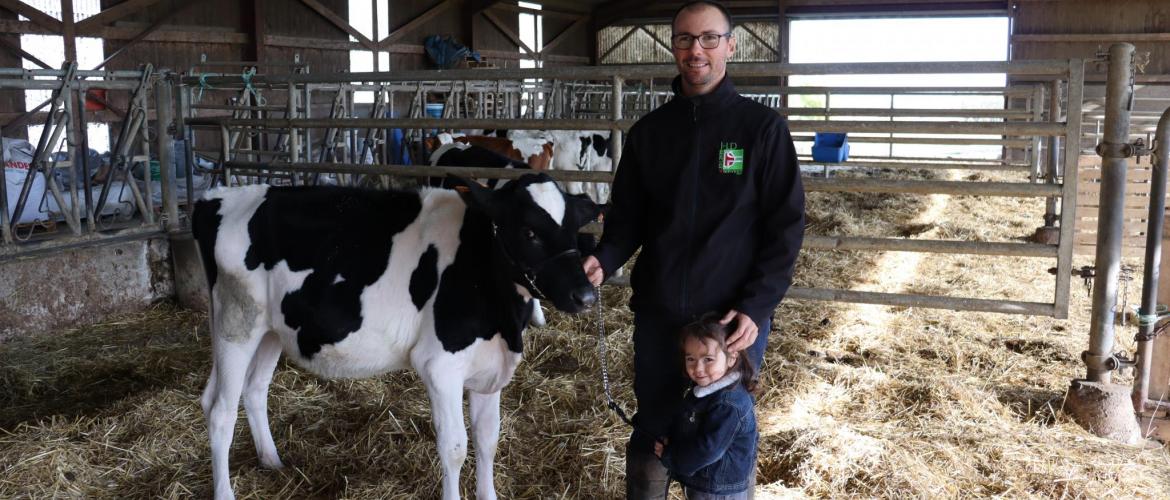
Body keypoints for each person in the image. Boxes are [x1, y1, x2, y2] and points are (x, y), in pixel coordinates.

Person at [580, 1, 805, 497]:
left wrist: (756, 305)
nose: (695, 49)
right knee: (655, 420)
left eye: (708, 38)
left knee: (723, 428)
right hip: (661, 312)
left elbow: (785, 228)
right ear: (673, 46)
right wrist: (606, 256)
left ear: (730, 45)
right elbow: (627, 219)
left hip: (730, 321)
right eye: (684, 39)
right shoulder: (650, 134)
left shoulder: (761, 131)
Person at [654, 314, 759, 499]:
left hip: (718, 489)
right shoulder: (705, 390)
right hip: (706, 482)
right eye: (690, 359)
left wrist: (671, 457)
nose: (698, 368)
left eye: (708, 359)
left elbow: (708, 450)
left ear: (731, 357)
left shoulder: (728, 404)